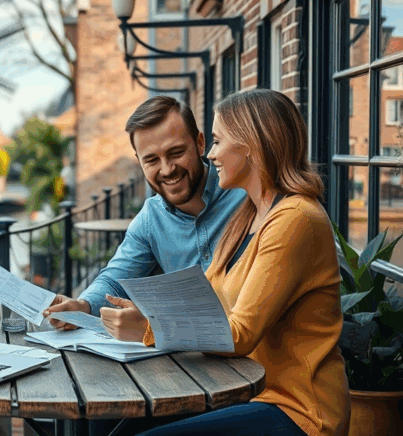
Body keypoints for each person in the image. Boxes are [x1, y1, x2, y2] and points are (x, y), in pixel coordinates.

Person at [130, 89, 350, 436]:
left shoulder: (295, 218)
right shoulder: (247, 215)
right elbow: (209, 301)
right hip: (245, 394)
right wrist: (147, 312)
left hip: (299, 411)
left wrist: (148, 327)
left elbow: (240, 335)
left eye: (218, 141)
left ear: (252, 145)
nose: (211, 153)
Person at [42, 96, 247, 434]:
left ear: (200, 143)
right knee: (97, 415)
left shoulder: (245, 196)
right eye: (151, 159)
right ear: (138, 161)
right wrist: (83, 305)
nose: (166, 169)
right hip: (190, 369)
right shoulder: (151, 218)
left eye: (176, 152)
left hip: (247, 369)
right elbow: (115, 279)